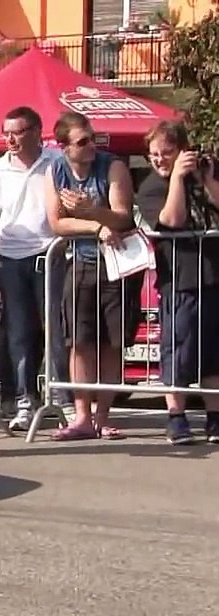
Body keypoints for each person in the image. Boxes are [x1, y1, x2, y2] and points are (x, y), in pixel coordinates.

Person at [45, 111, 139, 441]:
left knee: (112, 344)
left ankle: (103, 417)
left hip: (116, 265)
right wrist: (94, 225)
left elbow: (123, 216)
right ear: (64, 146)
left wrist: (92, 211)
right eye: (82, 141)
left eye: (93, 138)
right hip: (79, 262)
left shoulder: (112, 166)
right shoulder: (55, 169)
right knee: (79, 343)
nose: (91, 146)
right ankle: (81, 417)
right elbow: (56, 222)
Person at [0, 106, 66, 431]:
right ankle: (24, 399)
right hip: (13, 257)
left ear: (36, 132)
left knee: (55, 327)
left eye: (16, 132)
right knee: (19, 331)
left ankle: (63, 398)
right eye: (6, 133)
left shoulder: (55, 163)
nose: (10, 139)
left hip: (50, 252)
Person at [135, 120, 219, 444]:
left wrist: (208, 180)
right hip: (180, 279)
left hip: (213, 275)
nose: (159, 160)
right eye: (153, 154)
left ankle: (214, 417)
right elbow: (172, 220)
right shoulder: (152, 186)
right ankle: (176, 416)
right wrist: (176, 181)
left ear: (183, 149)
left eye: (166, 153)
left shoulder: (205, 172)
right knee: (178, 351)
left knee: (213, 354)